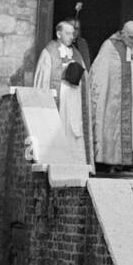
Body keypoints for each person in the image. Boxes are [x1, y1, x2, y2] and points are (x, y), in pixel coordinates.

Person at [89, 20, 133, 171]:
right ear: (123, 33)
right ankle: (113, 162)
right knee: (114, 130)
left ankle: (131, 161)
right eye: (131, 37)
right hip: (115, 100)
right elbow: (100, 73)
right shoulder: (110, 47)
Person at [33, 18, 91, 160]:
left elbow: (85, 78)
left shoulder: (76, 54)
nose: (72, 37)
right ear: (59, 34)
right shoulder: (49, 52)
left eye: (73, 34)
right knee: (58, 127)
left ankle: (76, 160)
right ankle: (55, 159)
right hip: (59, 97)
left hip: (74, 99)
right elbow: (43, 79)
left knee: (73, 128)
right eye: (68, 33)